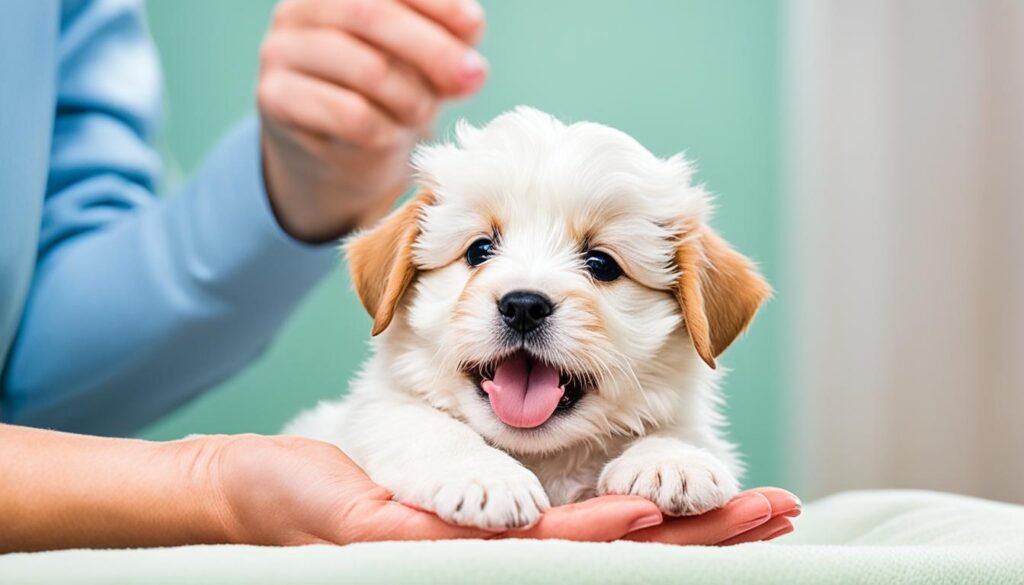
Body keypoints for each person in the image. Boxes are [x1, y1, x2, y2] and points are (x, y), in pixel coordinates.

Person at [0, 0, 799, 552]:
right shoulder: (393, 427)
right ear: (402, 286)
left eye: (601, 263)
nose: (524, 292)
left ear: (691, 305)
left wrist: (293, 176)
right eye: (477, 252)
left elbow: (54, 321)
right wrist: (219, 482)